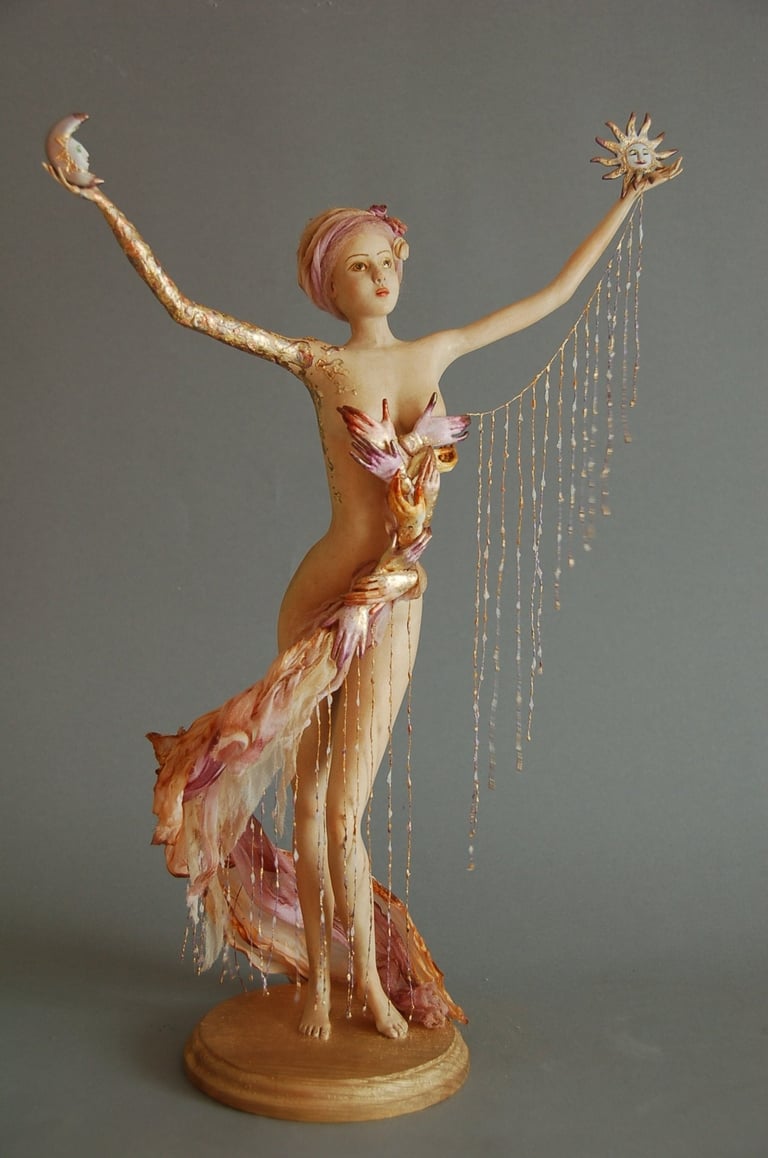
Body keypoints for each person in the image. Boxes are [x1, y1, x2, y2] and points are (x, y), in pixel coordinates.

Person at [44, 126, 679, 1040]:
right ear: (327, 287)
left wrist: (628, 198)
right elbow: (185, 310)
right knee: (307, 803)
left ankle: (371, 987)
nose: (379, 277)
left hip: (392, 596)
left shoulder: (437, 351)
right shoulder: (321, 362)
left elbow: (551, 296)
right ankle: (318, 984)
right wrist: (97, 198)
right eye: (358, 267)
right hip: (318, 589)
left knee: (345, 809)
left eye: (386, 260)